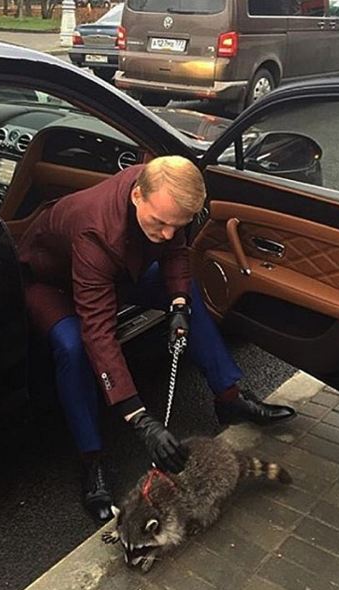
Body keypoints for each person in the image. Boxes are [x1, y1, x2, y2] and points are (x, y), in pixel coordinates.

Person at [17, 156, 295, 521]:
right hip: (52, 282)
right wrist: (140, 418)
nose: (166, 233)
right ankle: (91, 460)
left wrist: (178, 304)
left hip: (117, 270)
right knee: (74, 347)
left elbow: (176, 251)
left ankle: (229, 398)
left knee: (188, 294)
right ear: (137, 195)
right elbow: (99, 331)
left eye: (175, 225)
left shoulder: (165, 199)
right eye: (159, 223)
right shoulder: (94, 233)